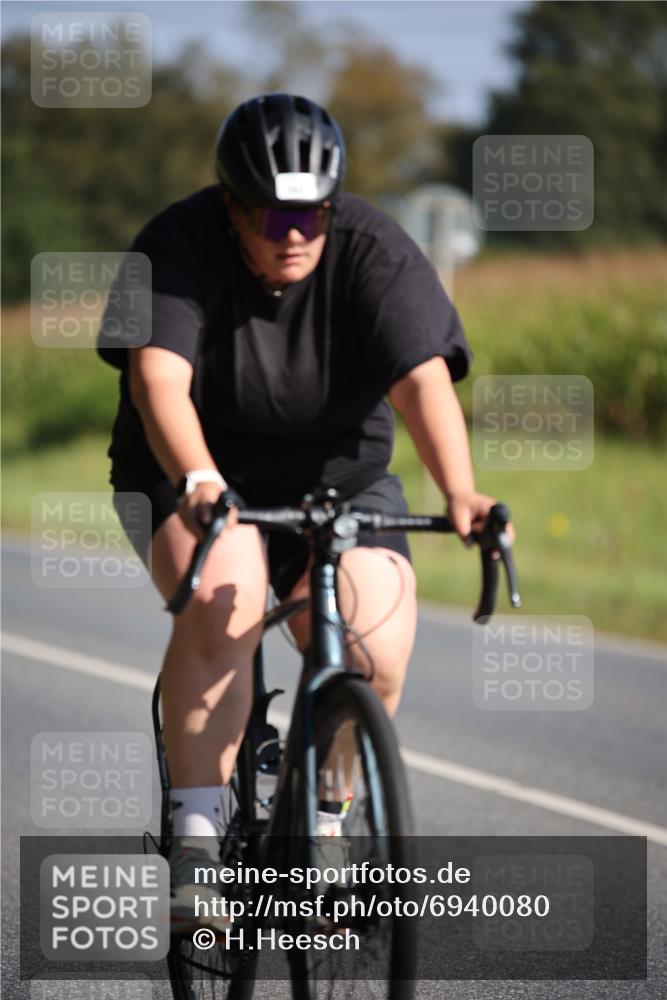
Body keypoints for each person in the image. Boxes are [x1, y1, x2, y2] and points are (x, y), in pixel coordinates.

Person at [98, 92, 508, 924]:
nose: (293, 234)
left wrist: (459, 489)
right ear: (230, 205)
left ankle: (322, 816)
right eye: (270, 215)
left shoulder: (372, 250)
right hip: (191, 473)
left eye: (311, 216)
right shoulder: (174, 245)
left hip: (338, 481)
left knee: (376, 643)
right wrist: (202, 480)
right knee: (229, 603)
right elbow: (157, 381)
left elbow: (421, 378)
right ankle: (198, 841)